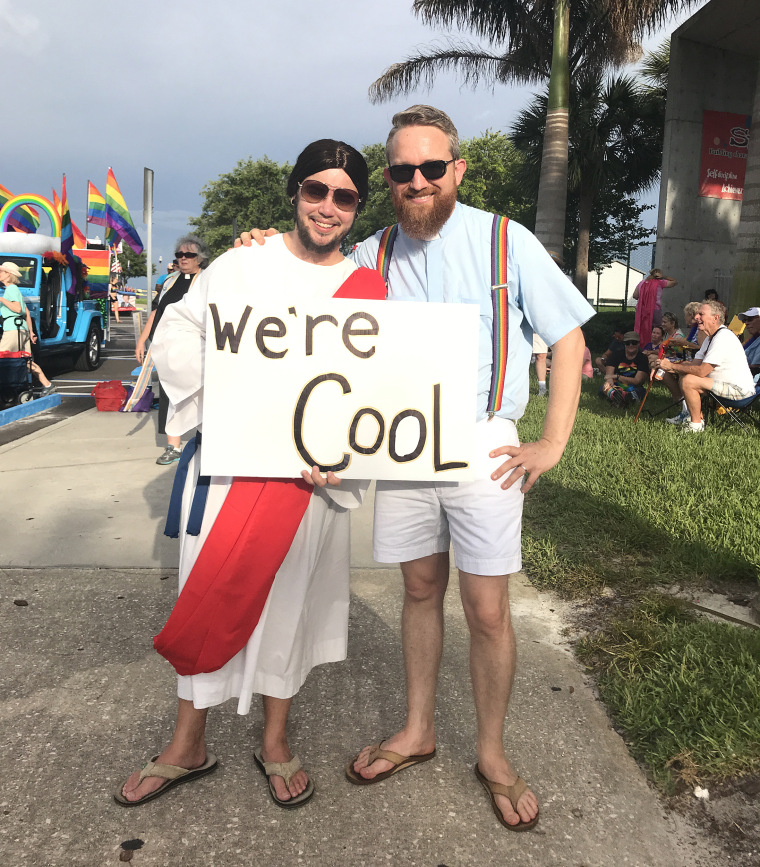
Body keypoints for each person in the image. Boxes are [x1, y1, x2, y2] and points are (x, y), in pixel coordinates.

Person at [243, 106, 592, 831]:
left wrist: (551, 442)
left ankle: (492, 753)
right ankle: (418, 728)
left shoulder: (506, 240)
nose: (418, 182)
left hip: (482, 444)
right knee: (420, 588)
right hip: (400, 447)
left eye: (432, 168)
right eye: (402, 171)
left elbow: (568, 338)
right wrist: (258, 248)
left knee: (488, 608)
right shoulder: (371, 253)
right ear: (391, 180)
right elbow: (305, 303)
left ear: (457, 170)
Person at [117, 139, 386, 811]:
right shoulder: (242, 263)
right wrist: (229, 396)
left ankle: (275, 740)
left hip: (310, 480)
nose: (328, 207)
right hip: (234, 470)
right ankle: (188, 743)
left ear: (357, 208)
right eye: (316, 190)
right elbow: (179, 332)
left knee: (289, 604)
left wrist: (348, 448)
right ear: (295, 192)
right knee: (213, 589)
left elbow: (375, 384)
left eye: (344, 196)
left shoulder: (366, 288)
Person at [135, 235, 209, 466]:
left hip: (195, 349)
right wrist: (143, 340)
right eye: (179, 255)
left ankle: (207, 440)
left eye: (189, 255)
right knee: (168, 394)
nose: (183, 258)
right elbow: (157, 312)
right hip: (166, 349)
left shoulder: (206, 280)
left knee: (201, 393)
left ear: (200, 258)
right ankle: (173, 446)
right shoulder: (169, 281)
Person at [653, 300, 755, 432]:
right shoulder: (710, 338)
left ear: (715, 318)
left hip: (740, 391)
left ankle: (696, 425)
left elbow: (701, 371)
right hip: (723, 384)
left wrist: (671, 367)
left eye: (701, 314)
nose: (696, 317)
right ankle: (689, 414)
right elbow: (693, 364)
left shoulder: (723, 337)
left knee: (689, 380)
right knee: (685, 369)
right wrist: (665, 365)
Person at [599, 331, 648, 406]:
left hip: (634, 387)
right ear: (624, 344)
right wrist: (609, 382)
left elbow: (637, 381)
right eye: (628, 343)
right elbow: (608, 376)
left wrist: (617, 376)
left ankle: (619, 398)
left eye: (634, 342)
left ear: (638, 344)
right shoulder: (616, 355)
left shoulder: (643, 358)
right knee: (604, 387)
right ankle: (620, 397)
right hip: (615, 385)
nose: (630, 345)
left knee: (640, 392)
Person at [633, 268, 677, 348]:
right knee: (657, 331)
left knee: (642, 331)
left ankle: (642, 348)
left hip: (641, 312)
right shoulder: (660, 282)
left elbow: (635, 296)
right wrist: (664, 277)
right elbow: (674, 282)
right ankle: (657, 348)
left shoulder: (642, 283)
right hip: (655, 311)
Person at [0, 261, 30, 353]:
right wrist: (30, 331)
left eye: (1, 271)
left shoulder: (11, 289)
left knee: (3, 357)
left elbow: (18, 309)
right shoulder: (15, 289)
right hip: (21, 328)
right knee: (26, 361)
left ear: (8, 274)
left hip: (13, 329)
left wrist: (1, 299)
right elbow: (27, 312)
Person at [739, 307, 760, 376]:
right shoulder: (753, 339)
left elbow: (755, 369)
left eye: (750, 319)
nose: (746, 323)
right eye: (745, 320)